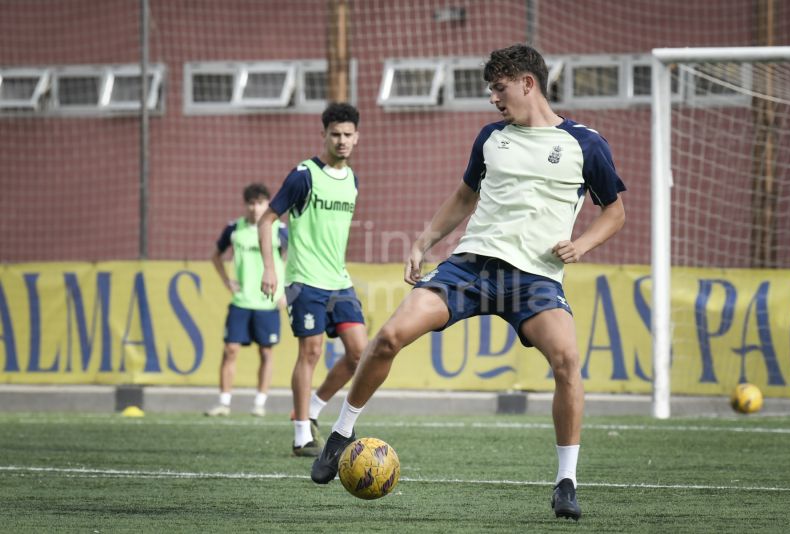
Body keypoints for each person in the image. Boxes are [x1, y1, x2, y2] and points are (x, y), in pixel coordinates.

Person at [310, 44, 627, 521]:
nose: (493, 99)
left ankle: (566, 482)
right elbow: (464, 196)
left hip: (535, 279)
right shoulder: (491, 138)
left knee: (566, 361)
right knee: (389, 337)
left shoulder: (586, 144)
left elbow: (615, 212)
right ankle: (341, 433)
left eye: (499, 89)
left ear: (527, 83)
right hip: (471, 268)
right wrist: (423, 242)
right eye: (490, 91)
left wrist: (582, 245)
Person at [258, 102, 369, 457]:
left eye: (347, 134)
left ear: (357, 137)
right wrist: (270, 268)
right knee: (312, 351)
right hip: (304, 280)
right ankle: (301, 435)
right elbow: (266, 220)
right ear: (323, 135)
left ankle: (314, 409)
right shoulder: (303, 176)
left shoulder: (352, 180)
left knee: (360, 353)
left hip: (339, 280)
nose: (341, 140)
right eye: (335, 134)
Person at [205, 183, 286, 417]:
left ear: (267, 204)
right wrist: (227, 282)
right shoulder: (234, 229)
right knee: (230, 349)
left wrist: (286, 292)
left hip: (267, 302)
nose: (255, 208)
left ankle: (260, 403)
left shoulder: (279, 230)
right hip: (241, 301)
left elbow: (294, 260)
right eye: (251, 203)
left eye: (260, 203)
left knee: (266, 352)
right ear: (245, 205)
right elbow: (215, 256)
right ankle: (224, 402)